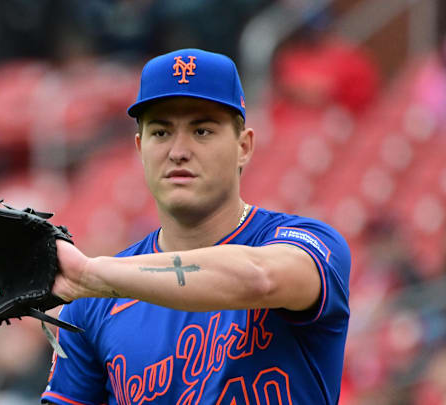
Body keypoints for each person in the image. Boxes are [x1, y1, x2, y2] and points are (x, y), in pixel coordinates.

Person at [41, 48, 351, 405]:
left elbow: (259, 278)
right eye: (160, 133)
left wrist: (93, 276)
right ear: (140, 148)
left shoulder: (309, 241)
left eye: (202, 130)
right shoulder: (90, 305)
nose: (178, 151)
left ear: (244, 147)